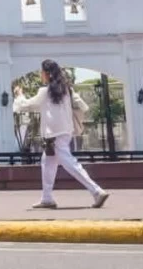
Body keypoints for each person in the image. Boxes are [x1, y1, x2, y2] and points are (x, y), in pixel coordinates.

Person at [13, 59, 109, 210]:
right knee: (48, 163)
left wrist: (19, 95)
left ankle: (96, 191)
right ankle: (47, 198)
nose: (40, 74)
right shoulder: (67, 90)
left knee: (70, 163)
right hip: (65, 132)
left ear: (47, 74)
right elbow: (83, 106)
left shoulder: (44, 92)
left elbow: (26, 105)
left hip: (53, 135)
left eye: (42, 72)